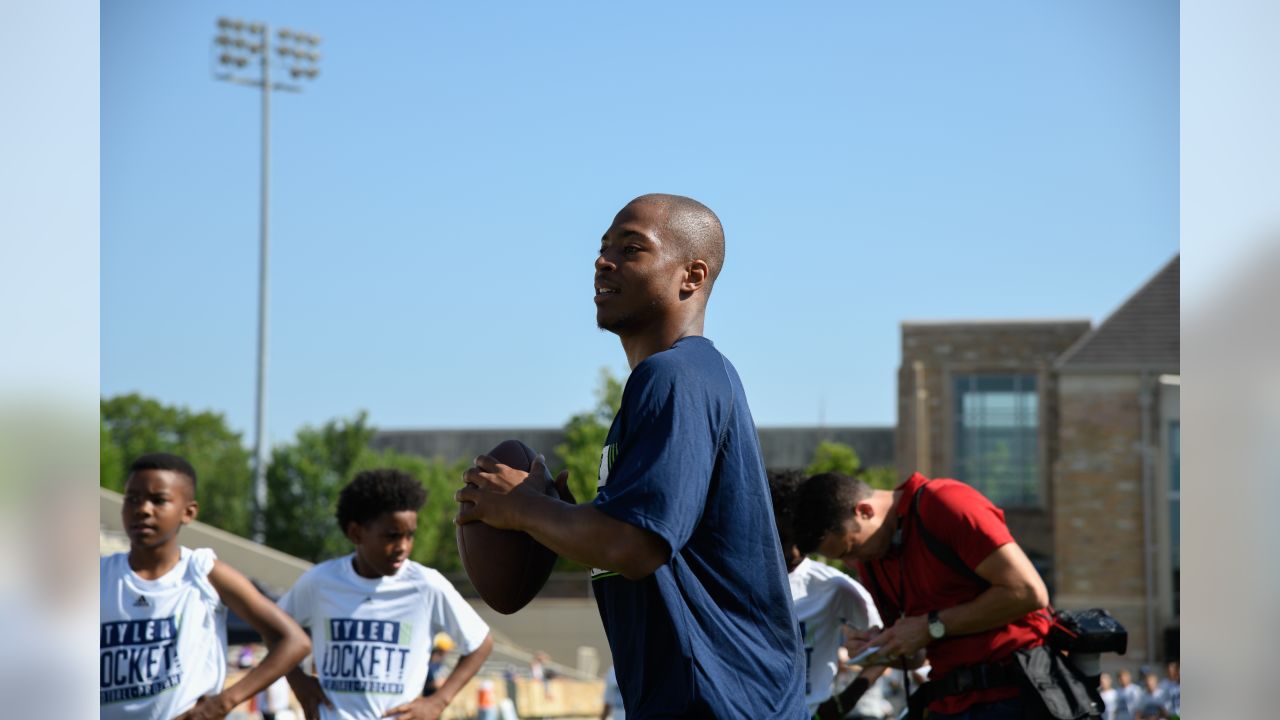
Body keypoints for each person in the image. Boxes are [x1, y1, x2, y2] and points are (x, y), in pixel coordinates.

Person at [457, 193, 806, 718]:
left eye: (632, 248)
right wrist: (565, 519)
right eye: (603, 249)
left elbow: (637, 545)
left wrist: (522, 508)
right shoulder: (681, 378)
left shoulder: (673, 376)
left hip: (718, 703)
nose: (604, 261)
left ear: (691, 276)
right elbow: (634, 540)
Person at [794, 471, 1051, 719]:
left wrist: (931, 627)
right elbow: (918, 657)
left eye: (852, 549)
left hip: (1017, 692)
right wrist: (882, 648)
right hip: (947, 701)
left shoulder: (944, 503)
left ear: (865, 511)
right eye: (841, 558)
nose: (852, 563)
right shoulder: (873, 556)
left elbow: (1028, 592)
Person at [101, 453, 311, 720]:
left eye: (158, 500)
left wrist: (222, 703)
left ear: (188, 512)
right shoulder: (98, 576)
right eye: (132, 499)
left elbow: (294, 641)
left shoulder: (202, 572)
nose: (142, 508)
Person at [281, 468, 494, 720]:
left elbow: (481, 642)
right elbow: (273, 629)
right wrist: (297, 680)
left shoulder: (426, 585)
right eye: (392, 536)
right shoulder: (320, 582)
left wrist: (437, 701)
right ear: (356, 533)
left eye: (409, 535)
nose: (403, 547)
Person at [769, 470, 889, 719]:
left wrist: (847, 699)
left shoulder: (835, 587)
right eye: (781, 539)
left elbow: (888, 648)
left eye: (800, 540)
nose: (792, 552)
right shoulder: (732, 584)